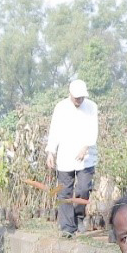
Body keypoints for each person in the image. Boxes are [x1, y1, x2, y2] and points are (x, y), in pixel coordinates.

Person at [46, 79, 100, 238]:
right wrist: (51, 152)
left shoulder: (91, 106)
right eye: (76, 97)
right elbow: (54, 131)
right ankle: (67, 228)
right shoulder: (60, 107)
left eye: (81, 97)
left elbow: (93, 129)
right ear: (70, 94)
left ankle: (79, 217)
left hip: (86, 156)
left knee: (83, 188)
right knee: (64, 192)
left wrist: (86, 146)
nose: (79, 100)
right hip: (65, 155)